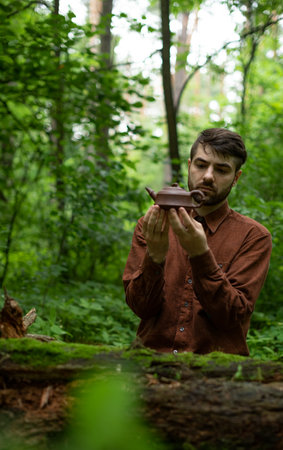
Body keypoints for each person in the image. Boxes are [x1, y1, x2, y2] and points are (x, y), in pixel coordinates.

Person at [123, 128, 272, 355]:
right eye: (201, 165)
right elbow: (140, 307)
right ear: (190, 165)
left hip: (217, 375)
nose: (209, 176)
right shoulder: (152, 225)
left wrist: (201, 255)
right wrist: (155, 256)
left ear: (236, 178)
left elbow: (232, 317)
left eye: (222, 169)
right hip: (151, 365)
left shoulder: (253, 237)